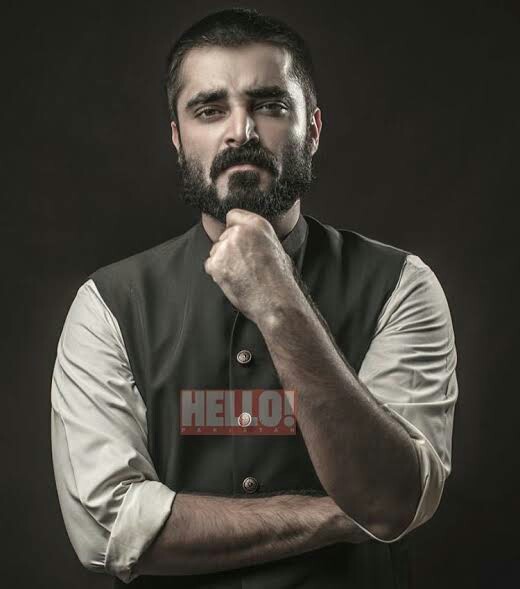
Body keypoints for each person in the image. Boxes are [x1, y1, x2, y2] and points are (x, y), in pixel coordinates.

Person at [50, 7, 458, 588]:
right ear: (177, 137)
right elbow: (111, 532)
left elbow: (390, 499)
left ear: (312, 130)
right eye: (209, 109)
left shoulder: (402, 285)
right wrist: (337, 516)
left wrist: (279, 302)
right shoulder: (107, 306)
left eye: (269, 105)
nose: (240, 131)